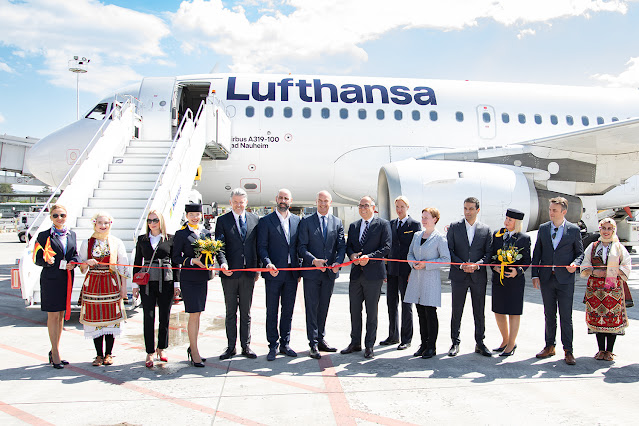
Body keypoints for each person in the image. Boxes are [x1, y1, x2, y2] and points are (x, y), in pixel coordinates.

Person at [532, 197, 584, 365]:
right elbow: (537, 253)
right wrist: (535, 275)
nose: (551, 213)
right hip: (547, 279)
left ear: (564, 212)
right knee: (549, 315)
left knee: (566, 316)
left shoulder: (574, 230)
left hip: (565, 280)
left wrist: (575, 264)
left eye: (554, 210)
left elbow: (580, 253)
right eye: (550, 210)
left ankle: (568, 350)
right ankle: (549, 346)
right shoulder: (543, 229)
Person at [297, 190, 346, 359]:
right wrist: (313, 261)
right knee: (312, 308)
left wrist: (338, 263)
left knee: (324, 307)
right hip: (311, 273)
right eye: (320, 201)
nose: (323, 204)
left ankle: (321, 339)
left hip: (329, 274)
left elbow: (341, 247)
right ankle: (313, 343)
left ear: (330, 202)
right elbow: (301, 247)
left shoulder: (337, 222)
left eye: (326, 201)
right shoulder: (306, 222)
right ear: (316, 202)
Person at [341, 196, 392, 359]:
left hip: (373, 275)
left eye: (366, 205)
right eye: (360, 205)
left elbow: (387, 247)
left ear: (373, 207)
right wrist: (353, 255)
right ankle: (355, 342)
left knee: (372, 312)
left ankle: (369, 345)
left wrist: (369, 257)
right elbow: (348, 247)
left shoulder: (383, 224)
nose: (363, 208)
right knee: (354, 310)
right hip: (356, 275)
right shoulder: (354, 226)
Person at [79, 212, 129, 366]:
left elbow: (123, 266)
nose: (103, 226)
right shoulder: (87, 242)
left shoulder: (116, 242)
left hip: (110, 282)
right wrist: (87, 262)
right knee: (95, 319)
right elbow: (80, 265)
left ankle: (109, 353)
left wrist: (123, 288)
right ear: (94, 224)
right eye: (100, 222)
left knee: (110, 320)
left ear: (110, 224)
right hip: (93, 283)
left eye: (106, 223)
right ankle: (98, 355)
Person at [215, 188, 260, 360]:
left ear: (246, 202)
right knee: (231, 311)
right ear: (230, 203)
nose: (239, 205)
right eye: (235, 202)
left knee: (246, 312)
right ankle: (231, 346)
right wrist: (223, 263)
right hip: (229, 274)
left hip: (248, 273)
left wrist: (257, 268)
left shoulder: (255, 219)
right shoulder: (222, 221)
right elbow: (219, 246)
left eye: (241, 202)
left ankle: (246, 346)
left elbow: (257, 245)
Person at [257, 188, 302, 361]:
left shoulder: (298, 221)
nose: (283, 201)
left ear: (291, 201)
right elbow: (262, 246)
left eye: (286, 198)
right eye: (281, 198)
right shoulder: (266, 221)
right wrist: (268, 263)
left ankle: (285, 343)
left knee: (288, 311)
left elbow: (299, 247)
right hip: (273, 273)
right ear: (276, 199)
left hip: (291, 274)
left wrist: (299, 269)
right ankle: (272, 345)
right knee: (272, 310)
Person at [132, 210, 181, 368]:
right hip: (147, 282)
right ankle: (149, 351)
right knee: (148, 316)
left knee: (164, 316)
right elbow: (137, 263)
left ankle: (162, 348)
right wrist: (135, 285)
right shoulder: (142, 240)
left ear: (161, 221)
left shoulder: (170, 239)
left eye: (155, 220)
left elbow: (175, 264)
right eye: (149, 220)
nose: (152, 223)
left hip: (165, 280)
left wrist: (176, 284)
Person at [33, 204, 79, 369]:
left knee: (61, 316)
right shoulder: (44, 236)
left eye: (62, 215)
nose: (59, 218)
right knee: (53, 316)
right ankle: (56, 352)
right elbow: (37, 258)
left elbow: (74, 254)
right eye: (56, 216)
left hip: (66, 278)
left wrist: (73, 262)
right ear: (51, 217)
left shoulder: (71, 235)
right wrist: (46, 261)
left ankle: (55, 350)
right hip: (51, 279)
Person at [446, 197, 493, 357]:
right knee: (456, 310)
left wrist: (477, 265)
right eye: (465, 208)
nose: (468, 211)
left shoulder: (485, 230)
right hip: (459, 275)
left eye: (471, 208)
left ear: (477, 210)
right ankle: (455, 342)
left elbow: (489, 253)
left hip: (478, 276)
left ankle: (480, 342)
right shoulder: (454, 227)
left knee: (479, 311)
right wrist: (461, 264)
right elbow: (449, 250)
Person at [580, 218, 631, 361]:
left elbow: (626, 264)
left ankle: (610, 350)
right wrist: (596, 272)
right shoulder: (593, 246)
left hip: (613, 289)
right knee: (598, 318)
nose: (606, 231)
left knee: (611, 318)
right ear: (600, 229)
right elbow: (585, 264)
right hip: (595, 289)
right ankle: (600, 349)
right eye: (604, 228)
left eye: (609, 229)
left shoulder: (619, 247)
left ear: (614, 230)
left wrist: (613, 272)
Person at [404, 208, 450, 359]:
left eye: (427, 218)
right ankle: (423, 344)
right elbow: (410, 253)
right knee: (420, 313)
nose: (423, 220)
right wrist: (413, 263)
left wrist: (427, 264)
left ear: (435, 219)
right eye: (422, 217)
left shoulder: (440, 238)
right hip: (417, 278)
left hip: (430, 280)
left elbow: (446, 259)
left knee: (430, 313)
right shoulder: (417, 235)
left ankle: (431, 346)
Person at [172, 203, 213, 367]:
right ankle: (194, 351)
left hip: (202, 277)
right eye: (191, 215)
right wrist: (191, 261)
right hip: (189, 278)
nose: (195, 217)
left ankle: (193, 346)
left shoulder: (206, 233)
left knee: (199, 313)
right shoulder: (181, 234)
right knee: (193, 313)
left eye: (197, 214)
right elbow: (175, 257)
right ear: (186, 216)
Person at [381, 196, 421, 350]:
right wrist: (385, 270)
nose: (399, 209)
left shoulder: (415, 225)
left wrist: (413, 270)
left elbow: (416, 249)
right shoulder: (390, 224)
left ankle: (406, 338)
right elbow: (387, 247)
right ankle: (393, 335)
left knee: (406, 305)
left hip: (406, 271)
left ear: (408, 207)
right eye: (397, 206)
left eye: (402, 206)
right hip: (391, 270)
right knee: (391, 303)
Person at [490, 208, 531, 357]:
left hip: (515, 281)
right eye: (506, 219)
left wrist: (517, 271)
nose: (506, 222)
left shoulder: (523, 238)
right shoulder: (497, 235)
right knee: (498, 310)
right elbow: (491, 254)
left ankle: (512, 343)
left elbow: (527, 261)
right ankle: (505, 340)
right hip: (498, 279)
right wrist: (493, 265)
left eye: (510, 220)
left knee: (513, 312)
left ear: (517, 223)